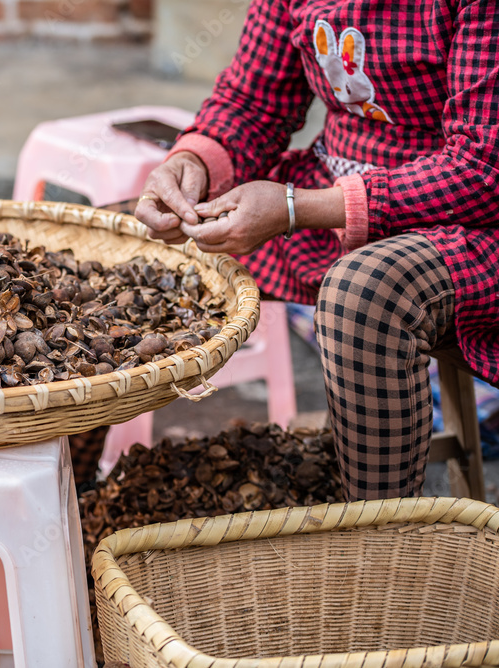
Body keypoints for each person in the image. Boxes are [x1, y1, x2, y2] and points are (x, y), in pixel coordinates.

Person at [134, 0, 499, 501]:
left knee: (362, 292)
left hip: (472, 222)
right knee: (129, 252)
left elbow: (483, 168)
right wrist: (195, 160)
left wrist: (295, 208)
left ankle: (378, 554)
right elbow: (252, 101)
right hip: (333, 191)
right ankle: (66, 513)